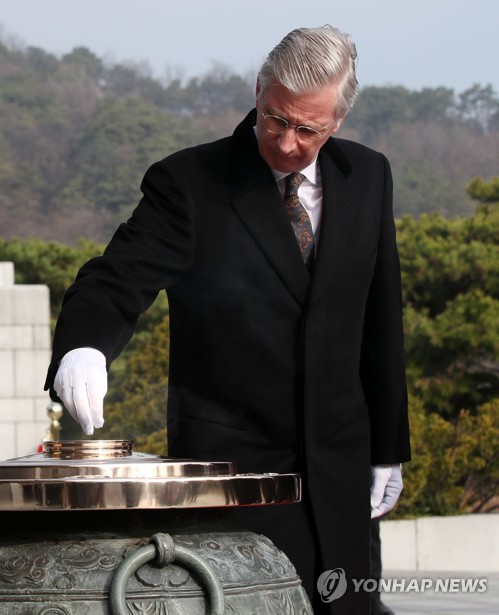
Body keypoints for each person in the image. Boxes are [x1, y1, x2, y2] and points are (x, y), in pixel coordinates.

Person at [45, 26, 411, 614]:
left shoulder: (368, 176)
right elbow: (115, 277)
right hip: (235, 480)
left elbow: (380, 319)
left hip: (343, 473)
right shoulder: (190, 183)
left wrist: (388, 447)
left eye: (308, 129)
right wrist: (84, 346)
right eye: (275, 118)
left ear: (338, 121)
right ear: (259, 90)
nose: (287, 141)